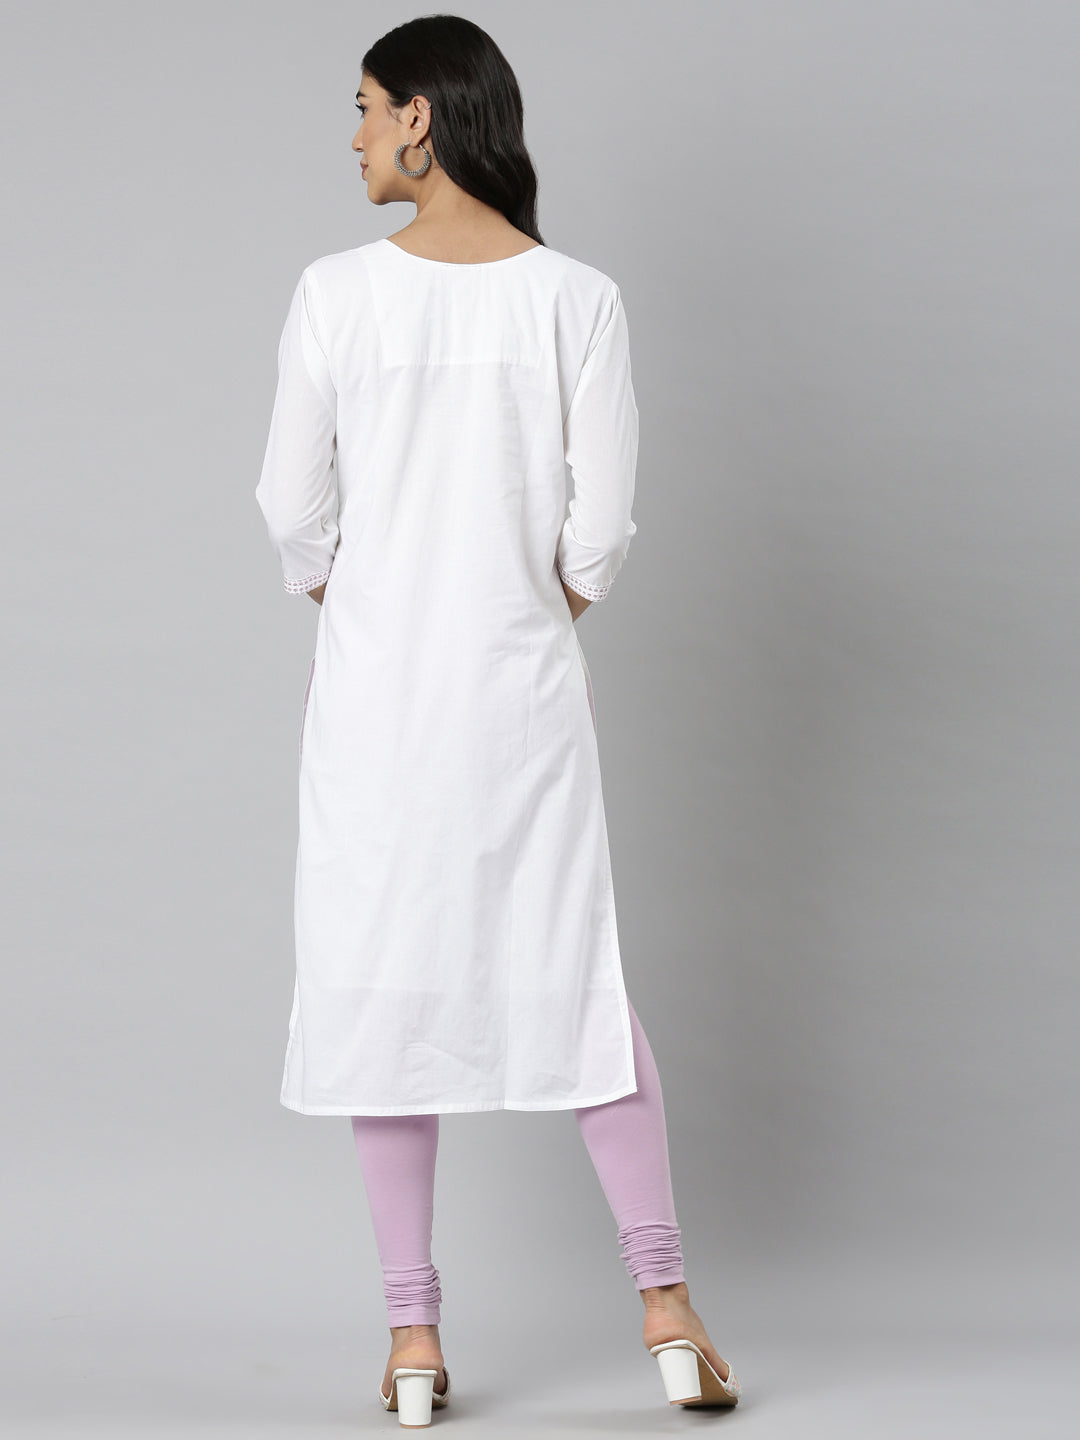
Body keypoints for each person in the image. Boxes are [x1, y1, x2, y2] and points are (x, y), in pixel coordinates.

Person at [255, 15, 740, 1427]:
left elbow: (291, 506)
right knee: (575, 975)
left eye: (363, 108)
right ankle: (666, 1306)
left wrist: (366, 601)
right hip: (519, 700)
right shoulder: (577, 299)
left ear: (421, 117)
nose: (352, 136)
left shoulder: (336, 294)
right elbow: (602, 531)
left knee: (382, 985)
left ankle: (412, 1340)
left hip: (376, 704)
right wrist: (525, 614)